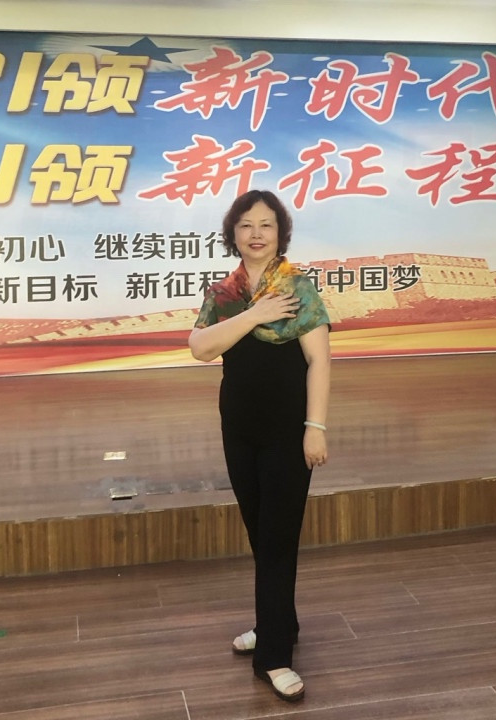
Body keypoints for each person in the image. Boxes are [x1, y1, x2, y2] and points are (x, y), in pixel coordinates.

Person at [188, 189, 331, 702]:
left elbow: (319, 362)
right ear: (233, 233)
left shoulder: (298, 290)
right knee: (261, 533)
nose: (256, 233)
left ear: (280, 233)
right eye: (246, 224)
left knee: (277, 539)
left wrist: (315, 426)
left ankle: (273, 655)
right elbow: (200, 348)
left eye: (266, 225)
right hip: (239, 429)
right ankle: (279, 624)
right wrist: (253, 314)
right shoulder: (224, 294)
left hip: (287, 431)